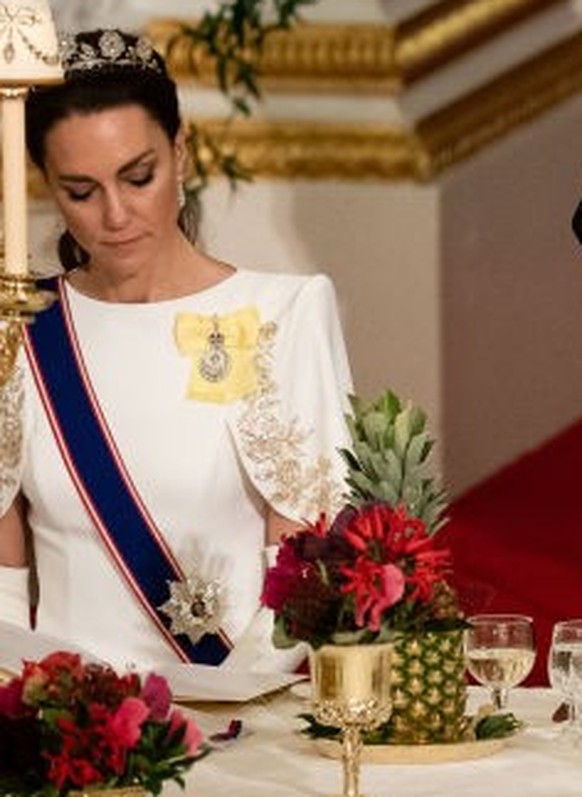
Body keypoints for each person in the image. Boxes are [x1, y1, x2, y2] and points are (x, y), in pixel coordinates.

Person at [0, 29, 352, 671]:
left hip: (235, 720)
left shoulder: (283, 314)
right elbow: (3, 566)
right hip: (63, 736)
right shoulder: (18, 326)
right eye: (81, 191)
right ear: (49, 186)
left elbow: (303, 567)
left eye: (139, 177)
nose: (116, 214)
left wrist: (225, 715)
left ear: (181, 153)